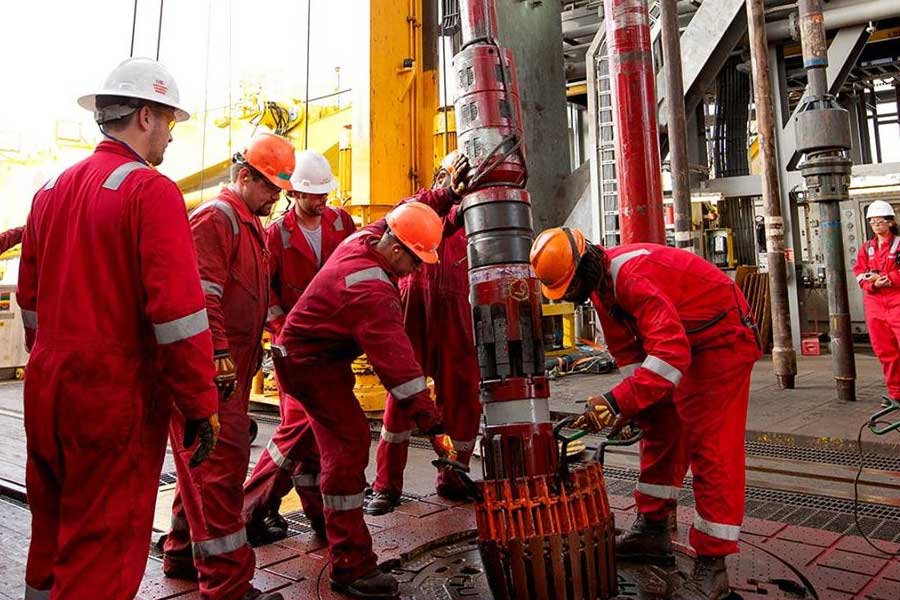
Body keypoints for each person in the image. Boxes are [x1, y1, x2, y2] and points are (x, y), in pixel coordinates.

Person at [17, 57, 219, 600]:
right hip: (112, 394)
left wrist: (54, 358)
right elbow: (178, 315)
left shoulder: (49, 189)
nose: (171, 135)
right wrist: (199, 402)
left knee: (50, 527)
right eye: (170, 121)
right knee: (104, 542)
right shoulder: (151, 191)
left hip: (47, 383)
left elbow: (30, 302)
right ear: (146, 116)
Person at [529, 228, 762, 600]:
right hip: (686, 339)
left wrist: (615, 402)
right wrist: (631, 405)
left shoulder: (633, 277)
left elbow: (670, 356)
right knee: (658, 425)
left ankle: (713, 566)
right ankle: (653, 530)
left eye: (570, 288)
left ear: (584, 269)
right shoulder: (601, 290)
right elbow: (628, 354)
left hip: (720, 338)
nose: (571, 297)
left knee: (710, 445)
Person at [271, 176, 468, 599]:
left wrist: (447, 194)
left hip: (309, 356)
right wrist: (436, 429)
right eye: (416, 261)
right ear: (396, 251)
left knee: (312, 444)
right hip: (311, 366)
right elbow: (403, 375)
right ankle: (351, 566)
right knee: (348, 446)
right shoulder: (373, 291)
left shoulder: (369, 238)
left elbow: (404, 211)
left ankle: (302, 518)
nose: (418, 270)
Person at [162, 133, 294, 600]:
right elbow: (202, 295)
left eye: (279, 190)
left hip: (230, 366)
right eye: (270, 187)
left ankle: (182, 552)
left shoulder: (248, 224)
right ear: (243, 176)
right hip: (211, 371)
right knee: (220, 472)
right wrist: (218, 355)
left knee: (200, 468)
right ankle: (228, 584)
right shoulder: (218, 218)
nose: (275, 197)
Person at [242, 150, 356, 545]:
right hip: (293, 349)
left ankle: (317, 515)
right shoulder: (277, 234)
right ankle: (252, 507)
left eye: (325, 193)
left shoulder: (341, 222)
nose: (322, 199)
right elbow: (267, 292)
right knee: (298, 430)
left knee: (312, 439)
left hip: (333, 347)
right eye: (314, 194)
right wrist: (284, 330)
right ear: (295, 194)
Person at [368, 150, 481, 515]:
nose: (458, 188)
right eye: (451, 180)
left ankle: (454, 476)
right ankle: (386, 485)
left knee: (462, 398)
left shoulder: (474, 222)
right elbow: (415, 211)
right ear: (439, 180)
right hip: (413, 311)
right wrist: (448, 196)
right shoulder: (418, 207)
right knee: (403, 395)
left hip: (456, 318)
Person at [853, 200, 900, 409]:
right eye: (872, 221)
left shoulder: (898, 245)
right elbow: (859, 273)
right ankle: (896, 393)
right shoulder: (867, 248)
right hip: (875, 304)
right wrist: (872, 284)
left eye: (879, 221)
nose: (876, 225)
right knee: (885, 351)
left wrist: (888, 279)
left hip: (897, 302)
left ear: (891, 222)